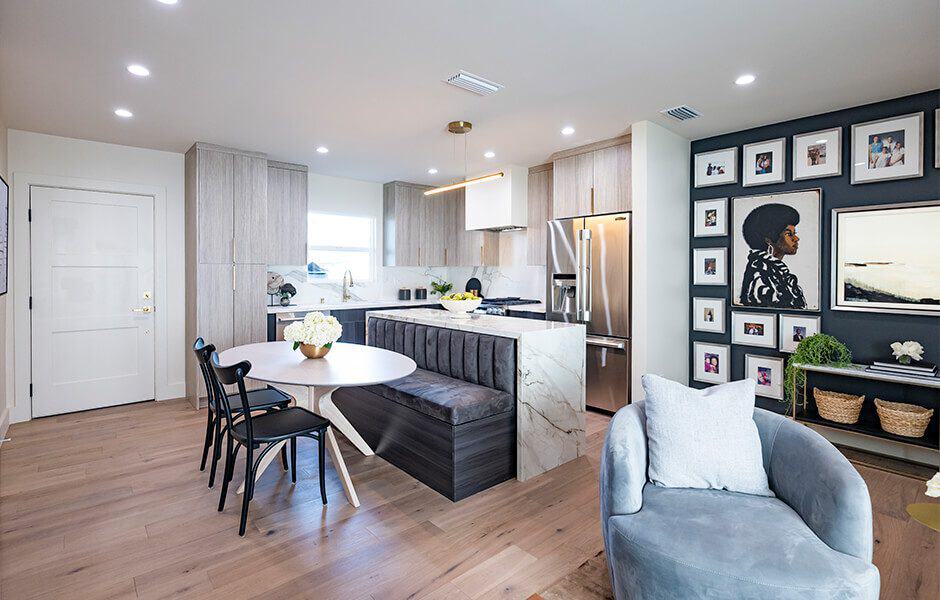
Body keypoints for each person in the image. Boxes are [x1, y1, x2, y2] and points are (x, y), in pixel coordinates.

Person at [739, 203, 807, 309]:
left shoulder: (778, 271)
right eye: (789, 234)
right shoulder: (760, 271)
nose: (796, 238)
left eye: (795, 233)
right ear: (769, 239)